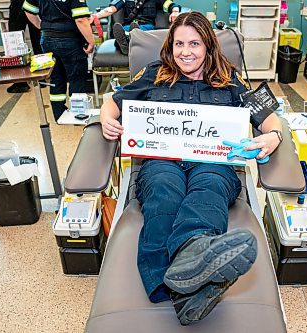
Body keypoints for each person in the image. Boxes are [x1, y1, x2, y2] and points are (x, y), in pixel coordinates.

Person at [100, 11, 283, 325]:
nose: (186, 51)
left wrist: (272, 137)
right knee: (163, 191)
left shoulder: (229, 78)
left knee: (209, 188)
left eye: (195, 43)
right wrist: (106, 117)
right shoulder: (153, 74)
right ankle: (187, 285)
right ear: (170, 46)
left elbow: (267, 116)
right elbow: (114, 101)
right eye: (179, 44)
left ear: (208, 46)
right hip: (161, 160)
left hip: (213, 161)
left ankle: (190, 262)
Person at [23, 0, 94, 121]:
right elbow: (80, 20)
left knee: (56, 78)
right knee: (76, 78)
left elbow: (28, 10)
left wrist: (42, 26)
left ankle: (59, 114)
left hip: (47, 39)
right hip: (70, 40)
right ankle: (77, 116)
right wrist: (91, 41)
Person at [93, 0, 182, 55]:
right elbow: (111, 9)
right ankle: (125, 41)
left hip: (146, 26)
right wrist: (95, 16)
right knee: (123, 30)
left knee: (137, 31)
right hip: (128, 26)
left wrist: (175, 11)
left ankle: (126, 43)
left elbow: (171, 5)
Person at [6, 0, 42, 94]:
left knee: (15, 40)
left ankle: (20, 82)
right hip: (34, 3)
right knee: (37, 37)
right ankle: (41, 77)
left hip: (18, 4)